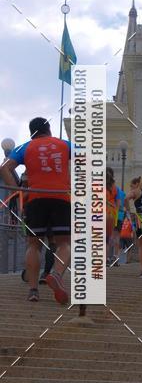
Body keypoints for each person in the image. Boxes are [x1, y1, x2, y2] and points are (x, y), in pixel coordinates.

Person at [1, 117, 71, 303]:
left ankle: (33, 290)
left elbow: (5, 168)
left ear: (32, 132)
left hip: (35, 198)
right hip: (61, 197)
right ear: (48, 129)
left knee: (33, 245)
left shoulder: (25, 147)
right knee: (64, 243)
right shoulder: (64, 144)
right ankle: (56, 274)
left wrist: (18, 191)